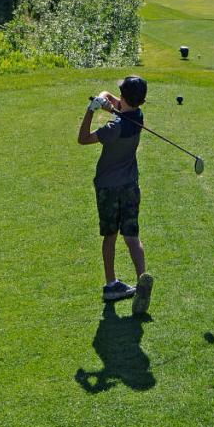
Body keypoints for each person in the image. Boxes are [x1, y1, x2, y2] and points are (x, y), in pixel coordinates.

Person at [78, 75, 154, 315]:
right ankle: (142, 278)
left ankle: (112, 285)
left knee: (110, 235)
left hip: (108, 188)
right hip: (130, 185)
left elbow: (83, 138)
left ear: (124, 97)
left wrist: (91, 111)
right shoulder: (137, 117)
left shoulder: (114, 128)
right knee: (132, 235)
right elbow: (108, 96)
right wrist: (104, 101)